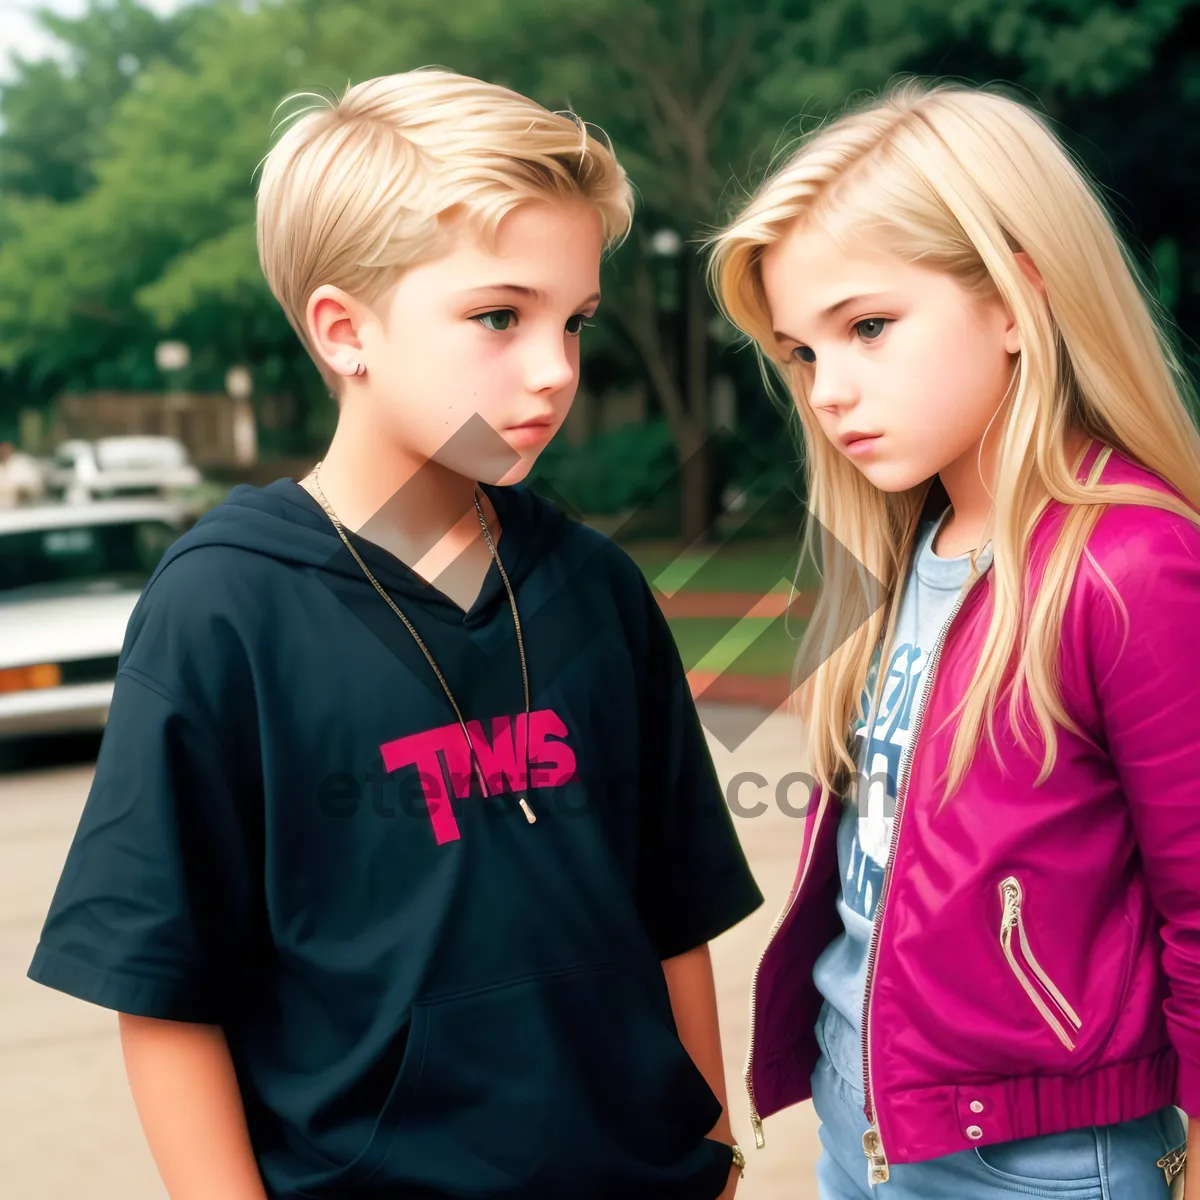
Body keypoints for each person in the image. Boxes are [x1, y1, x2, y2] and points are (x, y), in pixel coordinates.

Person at [27, 69, 762, 1200]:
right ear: (343, 329)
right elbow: (165, 989)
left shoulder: (598, 588)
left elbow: (676, 917)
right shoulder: (224, 605)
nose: (555, 369)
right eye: (498, 317)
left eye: (574, 321)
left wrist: (711, 1160)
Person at [708, 80, 1198, 1198]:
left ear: (1019, 301)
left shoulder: (1130, 569)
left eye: (869, 327)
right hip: (864, 1131)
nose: (830, 391)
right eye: (803, 352)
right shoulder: (903, 549)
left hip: (1039, 1164)